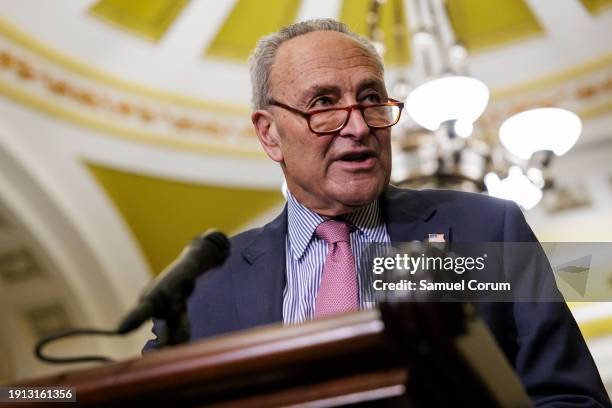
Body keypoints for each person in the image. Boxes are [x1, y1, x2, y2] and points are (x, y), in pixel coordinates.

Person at [146, 19, 610, 406]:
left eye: (370, 99)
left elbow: (571, 398)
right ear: (269, 134)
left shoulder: (486, 229)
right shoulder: (205, 287)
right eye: (324, 104)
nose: (359, 125)